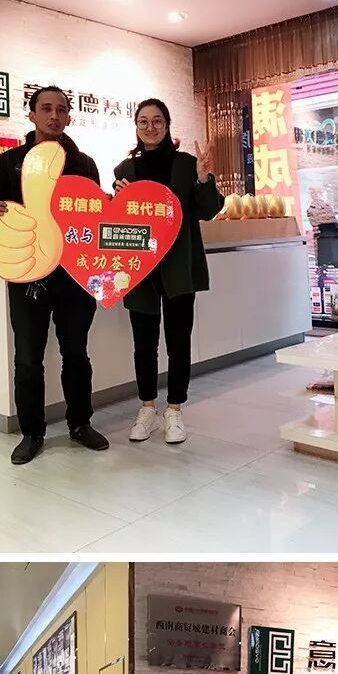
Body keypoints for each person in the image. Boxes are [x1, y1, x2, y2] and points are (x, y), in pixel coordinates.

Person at [0, 85, 109, 466]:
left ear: (69, 117)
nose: (54, 116)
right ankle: (32, 432)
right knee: (28, 358)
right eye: (46, 108)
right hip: (27, 276)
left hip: (74, 277)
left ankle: (80, 423)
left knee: (76, 353)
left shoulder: (84, 164)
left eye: (61, 109)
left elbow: (95, 216)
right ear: (31, 115)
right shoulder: (9, 162)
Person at [114, 99, 222, 446]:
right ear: (136, 126)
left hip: (179, 266)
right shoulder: (125, 170)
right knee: (143, 344)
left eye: (157, 120)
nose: (150, 127)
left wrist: (203, 178)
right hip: (140, 270)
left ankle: (174, 409)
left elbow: (209, 210)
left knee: (178, 341)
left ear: (167, 124)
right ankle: (147, 407)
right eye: (143, 121)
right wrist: (116, 200)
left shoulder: (188, 164)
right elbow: (117, 222)